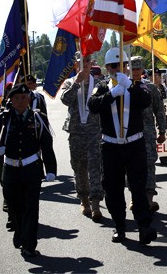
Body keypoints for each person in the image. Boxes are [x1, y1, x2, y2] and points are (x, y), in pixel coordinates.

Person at [87, 48, 157, 245]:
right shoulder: (102, 86)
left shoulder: (138, 85)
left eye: (123, 65)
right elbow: (93, 105)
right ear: (107, 68)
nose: (118, 68)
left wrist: (129, 87)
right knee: (113, 189)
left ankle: (144, 226)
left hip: (135, 144)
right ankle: (119, 227)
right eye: (114, 65)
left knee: (138, 187)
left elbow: (145, 101)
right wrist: (111, 94)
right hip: (111, 146)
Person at [0, 83, 57, 258]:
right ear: (11, 100)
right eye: (17, 98)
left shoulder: (36, 118)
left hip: (31, 170)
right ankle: (19, 231)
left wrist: (50, 169)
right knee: (14, 207)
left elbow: (46, 144)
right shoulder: (4, 119)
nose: (20, 101)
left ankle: (29, 245)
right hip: (11, 170)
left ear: (29, 100)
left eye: (24, 98)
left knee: (31, 208)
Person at [60, 54, 104, 222]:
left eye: (88, 60)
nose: (85, 64)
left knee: (95, 167)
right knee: (79, 167)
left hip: (94, 132)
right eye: (82, 61)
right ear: (76, 63)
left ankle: (96, 204)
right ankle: (84, 199)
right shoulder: (70, 83)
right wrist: (77, 82)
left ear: (91, 62)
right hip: (77, 132)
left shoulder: (99, 83)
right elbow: (65, 100)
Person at [130, 56, 167, 213]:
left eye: (138, 69)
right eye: (133, 69)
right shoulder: (124, 87)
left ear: (143, 70)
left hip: (148, 133)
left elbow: (159, 111)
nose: (136, 72)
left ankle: (149, 198)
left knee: (150, 164)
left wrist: (163, 130)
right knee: (132, 168)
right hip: (130, 134)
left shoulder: (151, 88)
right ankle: (135, 198)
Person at [153, 69, 167, 167]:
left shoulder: (165, 89)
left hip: (163, 116)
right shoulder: (149, 88)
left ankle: (164, 158)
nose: (155, 78)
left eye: (157, 76)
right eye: (153, 76)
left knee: (163, 136)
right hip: (152, 118)